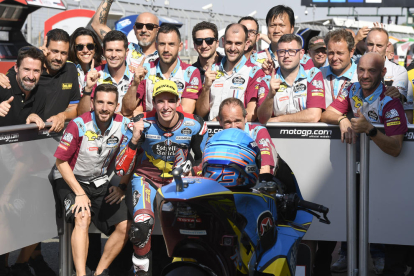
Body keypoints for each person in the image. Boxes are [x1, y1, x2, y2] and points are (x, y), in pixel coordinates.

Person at [115, 79, 208, 275]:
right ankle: (142, 273)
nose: (166, 107)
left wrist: (195, 174)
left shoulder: (195, 124)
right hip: (145, 179)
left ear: (178, 102)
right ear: (153, 102)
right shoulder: (140, 122)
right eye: (160, 101)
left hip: (178, 182)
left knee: (192, 226)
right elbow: (120, 170)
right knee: (141, 226)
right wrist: (134, 139)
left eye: (171, 101)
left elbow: (201, 161)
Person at [53, 83, 132, 276]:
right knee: (82, 216)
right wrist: (79, 193)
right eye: (100, 102)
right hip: (69, 178)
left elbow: (131, 158)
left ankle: (98, 272)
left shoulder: (123, 125)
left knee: (125, 226)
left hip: (99, 180)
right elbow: (60, 162)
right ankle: (81, 274)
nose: (104, 108)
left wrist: (121, 186)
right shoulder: (78, 124)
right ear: (92, 104)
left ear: (116, 106)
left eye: (109, 103)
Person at [321, 52, 406, 157]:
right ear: (356, 70)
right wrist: (341, 119)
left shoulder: (390, 101)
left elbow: (396, 148)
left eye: (372, 71)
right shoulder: (352, 89)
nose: (365, 76)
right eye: (361, 70)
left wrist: (369, 129)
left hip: (385, 168)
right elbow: (326, 114)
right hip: (357, 164)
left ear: (383, 72)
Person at [0, 29, 80, 133]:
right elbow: (16, 73)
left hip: (53, 136)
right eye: (55, 51)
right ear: (46, 49)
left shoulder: (71, 69)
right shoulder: (28, 74)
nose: (59, 57)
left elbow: (74, 107)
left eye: (63, 53)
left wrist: (62, 116)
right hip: (25, 137)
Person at [122, 24, 202, 115]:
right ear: (156, 46)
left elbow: (186, 111)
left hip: (177, 128)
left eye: (171, 44)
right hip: (149, 129)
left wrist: (145, 115)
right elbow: (126, 110)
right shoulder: (145, 69)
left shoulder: (190, 72)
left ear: (180, 46)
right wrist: (134, 84)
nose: (166, 49)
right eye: (162, 44)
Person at [195, 23, 268, 121]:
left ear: (246, 45)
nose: (233, 48)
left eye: (238, 43)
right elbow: (200, 112)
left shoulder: (254, 72)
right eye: (229, 42)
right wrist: (206, 88)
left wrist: (220, 120)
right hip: (213, 134)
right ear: (223, 42)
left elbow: (251, 114)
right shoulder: (212, 69)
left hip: (238, 133)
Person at [257, 34, 326, 124]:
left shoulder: (312, 75)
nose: (286, 55)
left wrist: (278, 119)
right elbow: (262, 119)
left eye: (291, 51)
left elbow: (313, 116)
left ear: (301, 54)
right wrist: (270, 96)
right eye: (282, 51)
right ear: (277, 54)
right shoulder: (267, 80)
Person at [77, 30, 134, 116]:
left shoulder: (136, 75)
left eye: (118, 50)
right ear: (103, 51)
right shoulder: (93, 74)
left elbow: (139, 109)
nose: (113, 55)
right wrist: (88, 89)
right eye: (109, 50)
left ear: (127, 52)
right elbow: (83, 115)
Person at [365, 27, 413, 122]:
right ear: (365, 44)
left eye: (379, 45)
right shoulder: (355, 68)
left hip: (389, 130)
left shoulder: (399, 71)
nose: (374, 49)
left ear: (387, 46)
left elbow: (408, 109)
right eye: (370, 44)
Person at [92, 0, 159, 65]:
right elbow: (97, 25)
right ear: (134, 29)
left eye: (150, 26)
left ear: (158, 30)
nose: (144, 30)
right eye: (139, 26)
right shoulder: (124, 48)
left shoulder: (165, 54)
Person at [254, 5, 314, 71]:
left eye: (281, 25)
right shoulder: (255, 59)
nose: (276, 30)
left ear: (292, 28)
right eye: (272, 25)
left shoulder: (305, 62)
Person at [0, 46, 45, 129]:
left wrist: (34, 117)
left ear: (41, 71)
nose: (31, 77)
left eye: (36, 71)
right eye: (26, 69)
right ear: (16, 68)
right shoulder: (3, 86)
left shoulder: (41, 92)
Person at [320, 29, 358, 108]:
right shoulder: (319, 74)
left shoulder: (361, 76)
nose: (334, 58)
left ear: (351, 52)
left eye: (340, 53)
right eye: (331, 53)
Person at [69, 27, 103, 95]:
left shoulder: (104, 69)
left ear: (95, 48)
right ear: (74, 49)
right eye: (80, 47)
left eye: (90, 46)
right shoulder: (67, 70)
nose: (85, 50)